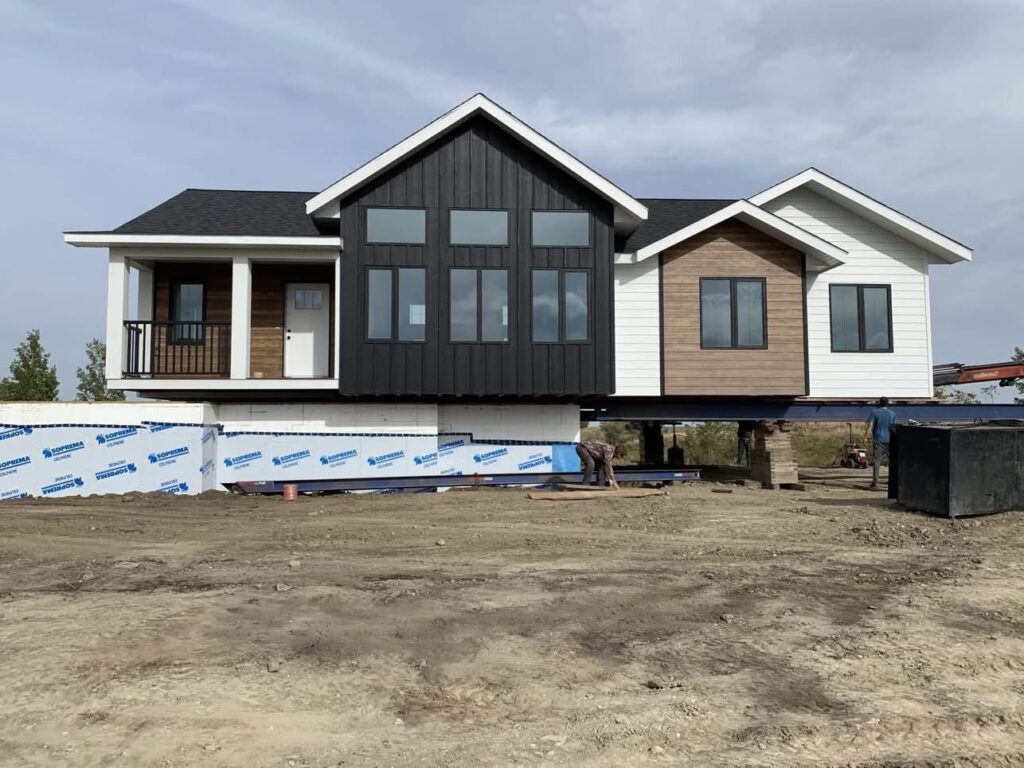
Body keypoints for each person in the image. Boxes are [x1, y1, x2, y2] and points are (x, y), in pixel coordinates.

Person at [865, 397, 896, 489]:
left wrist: (865, 437)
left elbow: (870, 425)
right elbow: (893, 427)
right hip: (890, 439)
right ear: (888, 404)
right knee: (892, 461)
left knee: (876, 461)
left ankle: (875, 482)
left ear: (879, 403)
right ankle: (893, 482)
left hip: (878, 439)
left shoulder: (874, 412)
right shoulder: (892, 414)